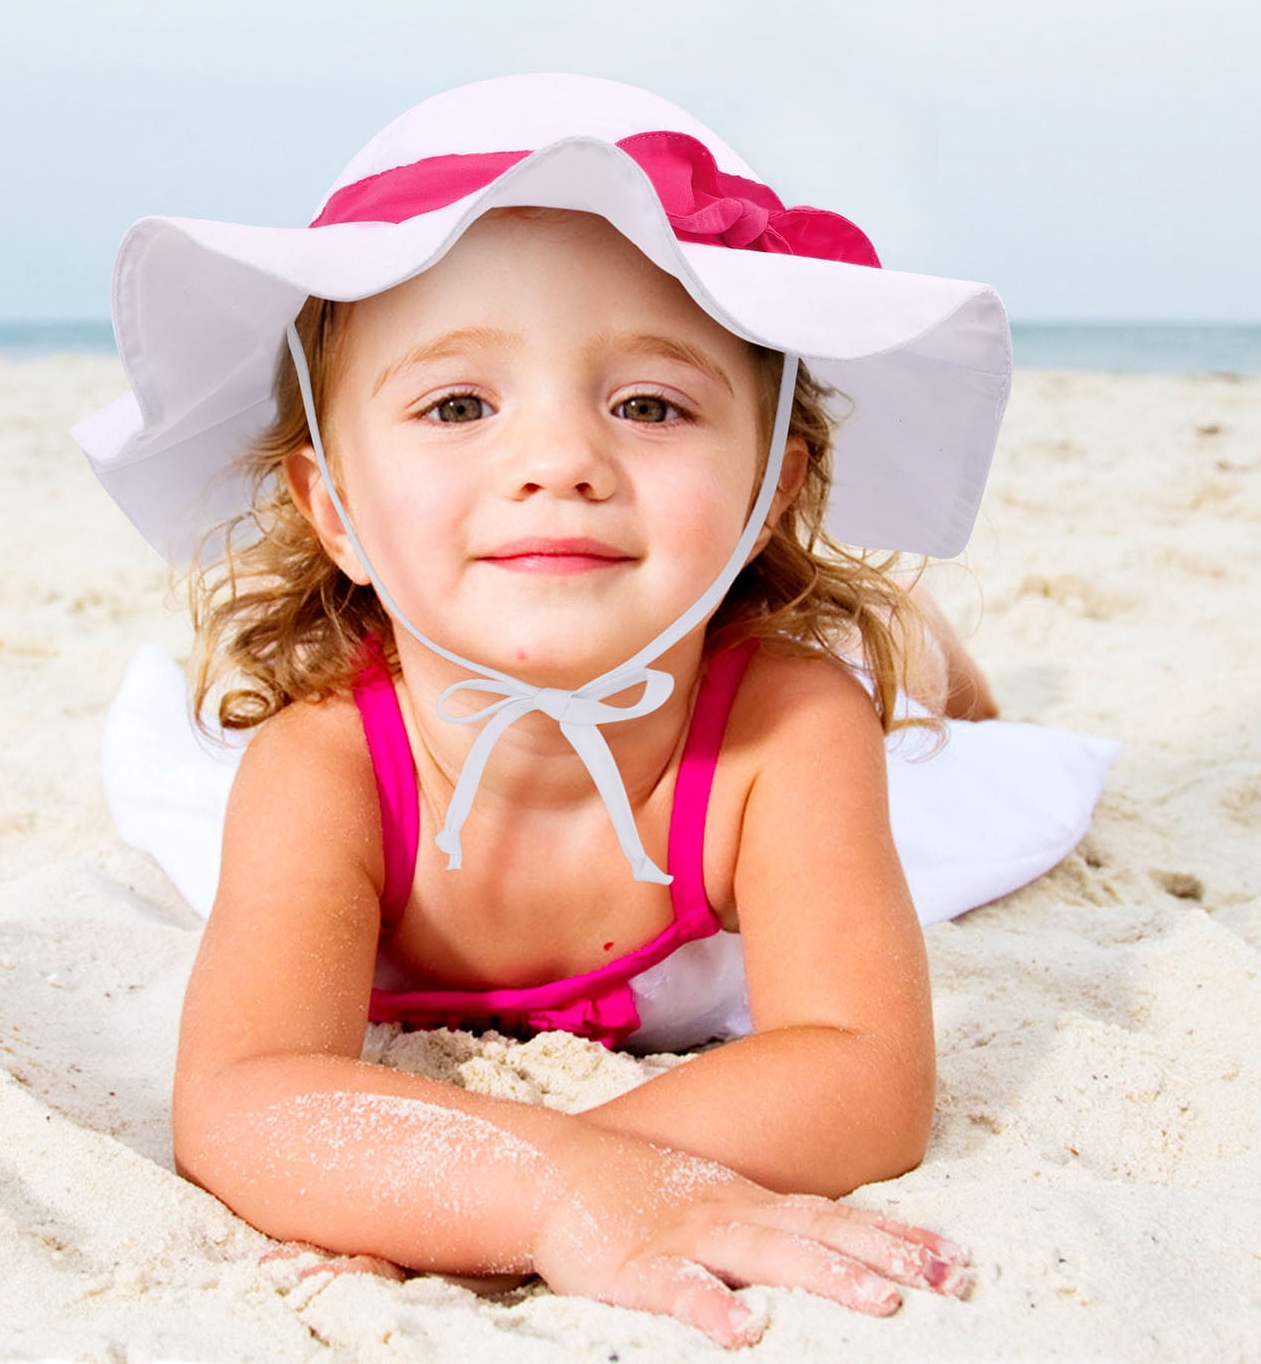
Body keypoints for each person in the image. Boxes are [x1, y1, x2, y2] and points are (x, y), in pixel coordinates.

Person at [76, 73, 1114, 1348]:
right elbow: (241, 1098)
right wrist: (552, 1188)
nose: (559, 459)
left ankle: (917, 634)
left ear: (768, 493)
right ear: (334, 508)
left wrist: (547, 1169)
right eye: (458, 404)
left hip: (759, 682)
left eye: (649, 404)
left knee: (931, 722)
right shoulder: (327, 764)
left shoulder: (784, 734)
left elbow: (867, 1073)